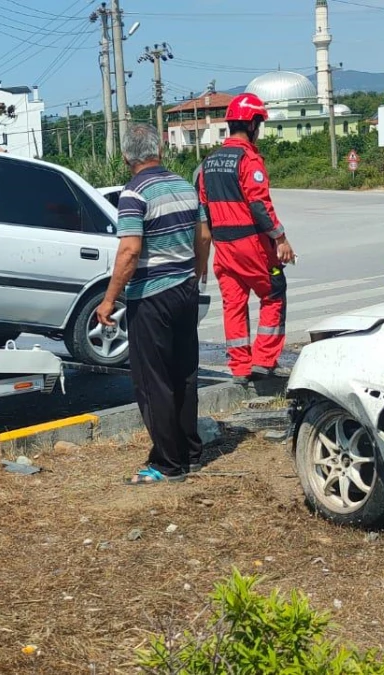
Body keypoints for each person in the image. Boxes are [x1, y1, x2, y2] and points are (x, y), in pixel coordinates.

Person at [98, 123, 213, 485]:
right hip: (184, 290)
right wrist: (197, 272)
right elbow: (204, 235)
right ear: (159, 152)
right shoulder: (183, 185)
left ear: (126, 156)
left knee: (153, 381)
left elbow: (130, 250)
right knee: (184, 374)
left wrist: (109, 299)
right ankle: (190, 453)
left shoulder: (133, 194)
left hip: (151, 295)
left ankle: (167, 463)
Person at [196, 92, 297, 386]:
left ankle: (240, 367)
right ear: (252, 124)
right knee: (274, 292)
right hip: (251, 244)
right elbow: (259, 204)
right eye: (259, 124)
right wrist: (280, 239)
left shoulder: (208, 163)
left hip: (223, 247)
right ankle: (264, 361)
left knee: (234, 304)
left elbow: (204, 211)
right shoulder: (248, 159)